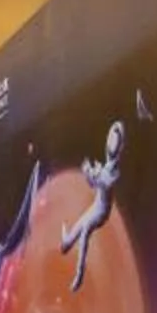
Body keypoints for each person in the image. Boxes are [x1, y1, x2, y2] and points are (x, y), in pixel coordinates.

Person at [58, 120, 125, 291]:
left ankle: (79, 275)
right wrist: (90, 172)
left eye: (114, 141)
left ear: (119, 148)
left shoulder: (114, 173)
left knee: (86, 229)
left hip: (102, 212)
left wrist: (91, 172)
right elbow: (93, 183)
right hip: (96, 205)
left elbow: (102, 182)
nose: (111, 143)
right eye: (110, 139)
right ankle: (66, 243)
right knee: (75, 232)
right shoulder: (106, 167)